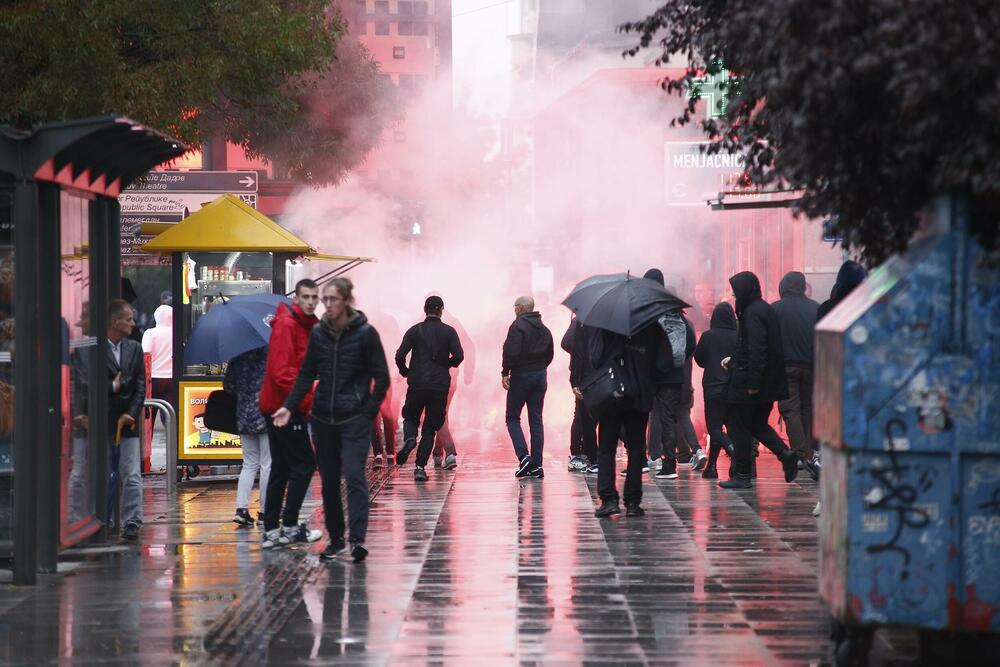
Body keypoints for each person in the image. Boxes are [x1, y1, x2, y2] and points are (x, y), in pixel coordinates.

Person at [273, 278, 390, 562]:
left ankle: (358, 539)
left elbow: (382, 376)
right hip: (323, 417)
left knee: (354, 475)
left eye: (333, 299)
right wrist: (289, 406)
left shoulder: (366, 334)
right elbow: (305, 374)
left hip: (354, 418)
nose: (327, 304)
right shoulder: (318, 334)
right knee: (328, 481)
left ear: (348, 300)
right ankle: (336, 538)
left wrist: (368, 411)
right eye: (325, 299)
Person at [718, 272, 800, 489]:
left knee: (739, 427)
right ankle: (784, 454)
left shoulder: (753, 313)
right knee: (756, 424)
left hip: (749, 385)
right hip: (764, 382)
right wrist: (734, 360)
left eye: (735, 292)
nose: (734, 296)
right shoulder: (764, 309)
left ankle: (743, 474)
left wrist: (753, 383)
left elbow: (757, 348)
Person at [258, 279, 323, 549]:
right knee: (305, 464)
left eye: (314, 297)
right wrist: (307, 398)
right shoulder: (288, 326)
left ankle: (274, 529)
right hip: (285, 408)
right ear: (296, 298)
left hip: (282, 405)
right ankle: (289, 525)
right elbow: (282, 372)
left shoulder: (302, 325)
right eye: (305, 297)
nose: (310, 302)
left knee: (282, 468)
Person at [591, 319, 667, 518]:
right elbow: (664, 363)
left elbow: (595, 357)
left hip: (612, 393)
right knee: (636, 449)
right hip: (640, 395)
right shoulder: (652, 327)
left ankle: (609, 500)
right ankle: (633, 502)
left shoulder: (607, 324)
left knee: (606, 448)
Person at [812, 260, 868, 516]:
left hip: (831, 384)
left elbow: (819, 347)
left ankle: (827, 499)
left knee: (832, 445)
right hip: (859, 386)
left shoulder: (827, 308)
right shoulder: (867, 308)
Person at [394, 296, 465, 482]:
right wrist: (446, 365)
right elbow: (459, 355)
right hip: (439, 385)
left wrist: (406, 371)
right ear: (441, 310)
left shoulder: (414, 331)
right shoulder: (449, 332)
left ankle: (410, 438)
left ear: (425, 309)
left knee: (410, 416)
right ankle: (420, 467)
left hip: (417, 383)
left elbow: (400, 355)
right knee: (430, 427)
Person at [642, 270, 699, 480]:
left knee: (646, 415)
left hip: (651, 374)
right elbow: (691, 344)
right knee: (668, 418)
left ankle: (646, 458)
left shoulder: (647, 309)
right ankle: (669, 463)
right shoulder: (676, 310)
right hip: (674, 375)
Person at [771, 271, 820, 474]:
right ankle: (807, 453)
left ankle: (801, 455)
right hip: (810, 366)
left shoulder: (775, 309)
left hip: (785, 367)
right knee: (807, 410)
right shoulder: (815, 308)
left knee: (790, 410)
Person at [106, 299, 146, 540]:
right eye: (128, 319)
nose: (133, 323)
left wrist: (132, 412)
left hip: (128, 421)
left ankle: (132, 521)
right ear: (115, 321)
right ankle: (106, 518)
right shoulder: (96, 348)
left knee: (131, 473)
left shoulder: (134, 348)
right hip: (103, 420)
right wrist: (113, 386)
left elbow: (140, 385)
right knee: (105, 472)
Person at [502, 296, 554, 478]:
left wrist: (505, 373)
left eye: (515, 306)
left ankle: (524, 457)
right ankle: (537, 466)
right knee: (536, 421)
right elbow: (550, 355)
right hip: (540, 376)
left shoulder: (517, 327)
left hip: (521, 376)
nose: (514, 309)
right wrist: (539, 368)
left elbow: (510, 352)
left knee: (512, 417)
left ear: (522, 308)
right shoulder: (545, 329)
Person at [224, 347, 270, 526]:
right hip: (266, 414)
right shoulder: (269, 354)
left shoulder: (237, 355)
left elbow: (228, 386)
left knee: (249, 463)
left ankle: (241, 509)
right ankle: (266, 511)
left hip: (244, 415)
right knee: (268, 464)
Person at [693, 302, 738, 479]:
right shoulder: (738, 336)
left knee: (714, 428)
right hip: (734, 388)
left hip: (713, 388)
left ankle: (732, 449)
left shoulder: (708, 336)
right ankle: (712, 466)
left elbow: (700, 360)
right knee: (732, 426)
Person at [433, 309, 475, 469]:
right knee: (441, 413)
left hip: (433, 378)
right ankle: (438, 451)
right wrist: (466, 373)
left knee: (436, 413)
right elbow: (469, 347)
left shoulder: (421, 323)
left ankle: (447, 452)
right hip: (450, 378)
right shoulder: (453, 323)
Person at [562, 316, 598, 473]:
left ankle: (584, 453)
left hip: (590, 374)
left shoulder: (583, 320)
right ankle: (580, 453)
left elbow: (567, 343)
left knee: (586, 416)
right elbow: (567, 343)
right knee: (584, 416)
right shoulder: (583, 320)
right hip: (592, 373)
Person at [141, 304, 173, 428]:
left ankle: (147, 445)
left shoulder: (151, 333)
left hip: (154, 379)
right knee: (171, 415)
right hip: (172, 379)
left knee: (149, 416)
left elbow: (145, 355)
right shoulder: (176, 333)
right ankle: (173, 443)